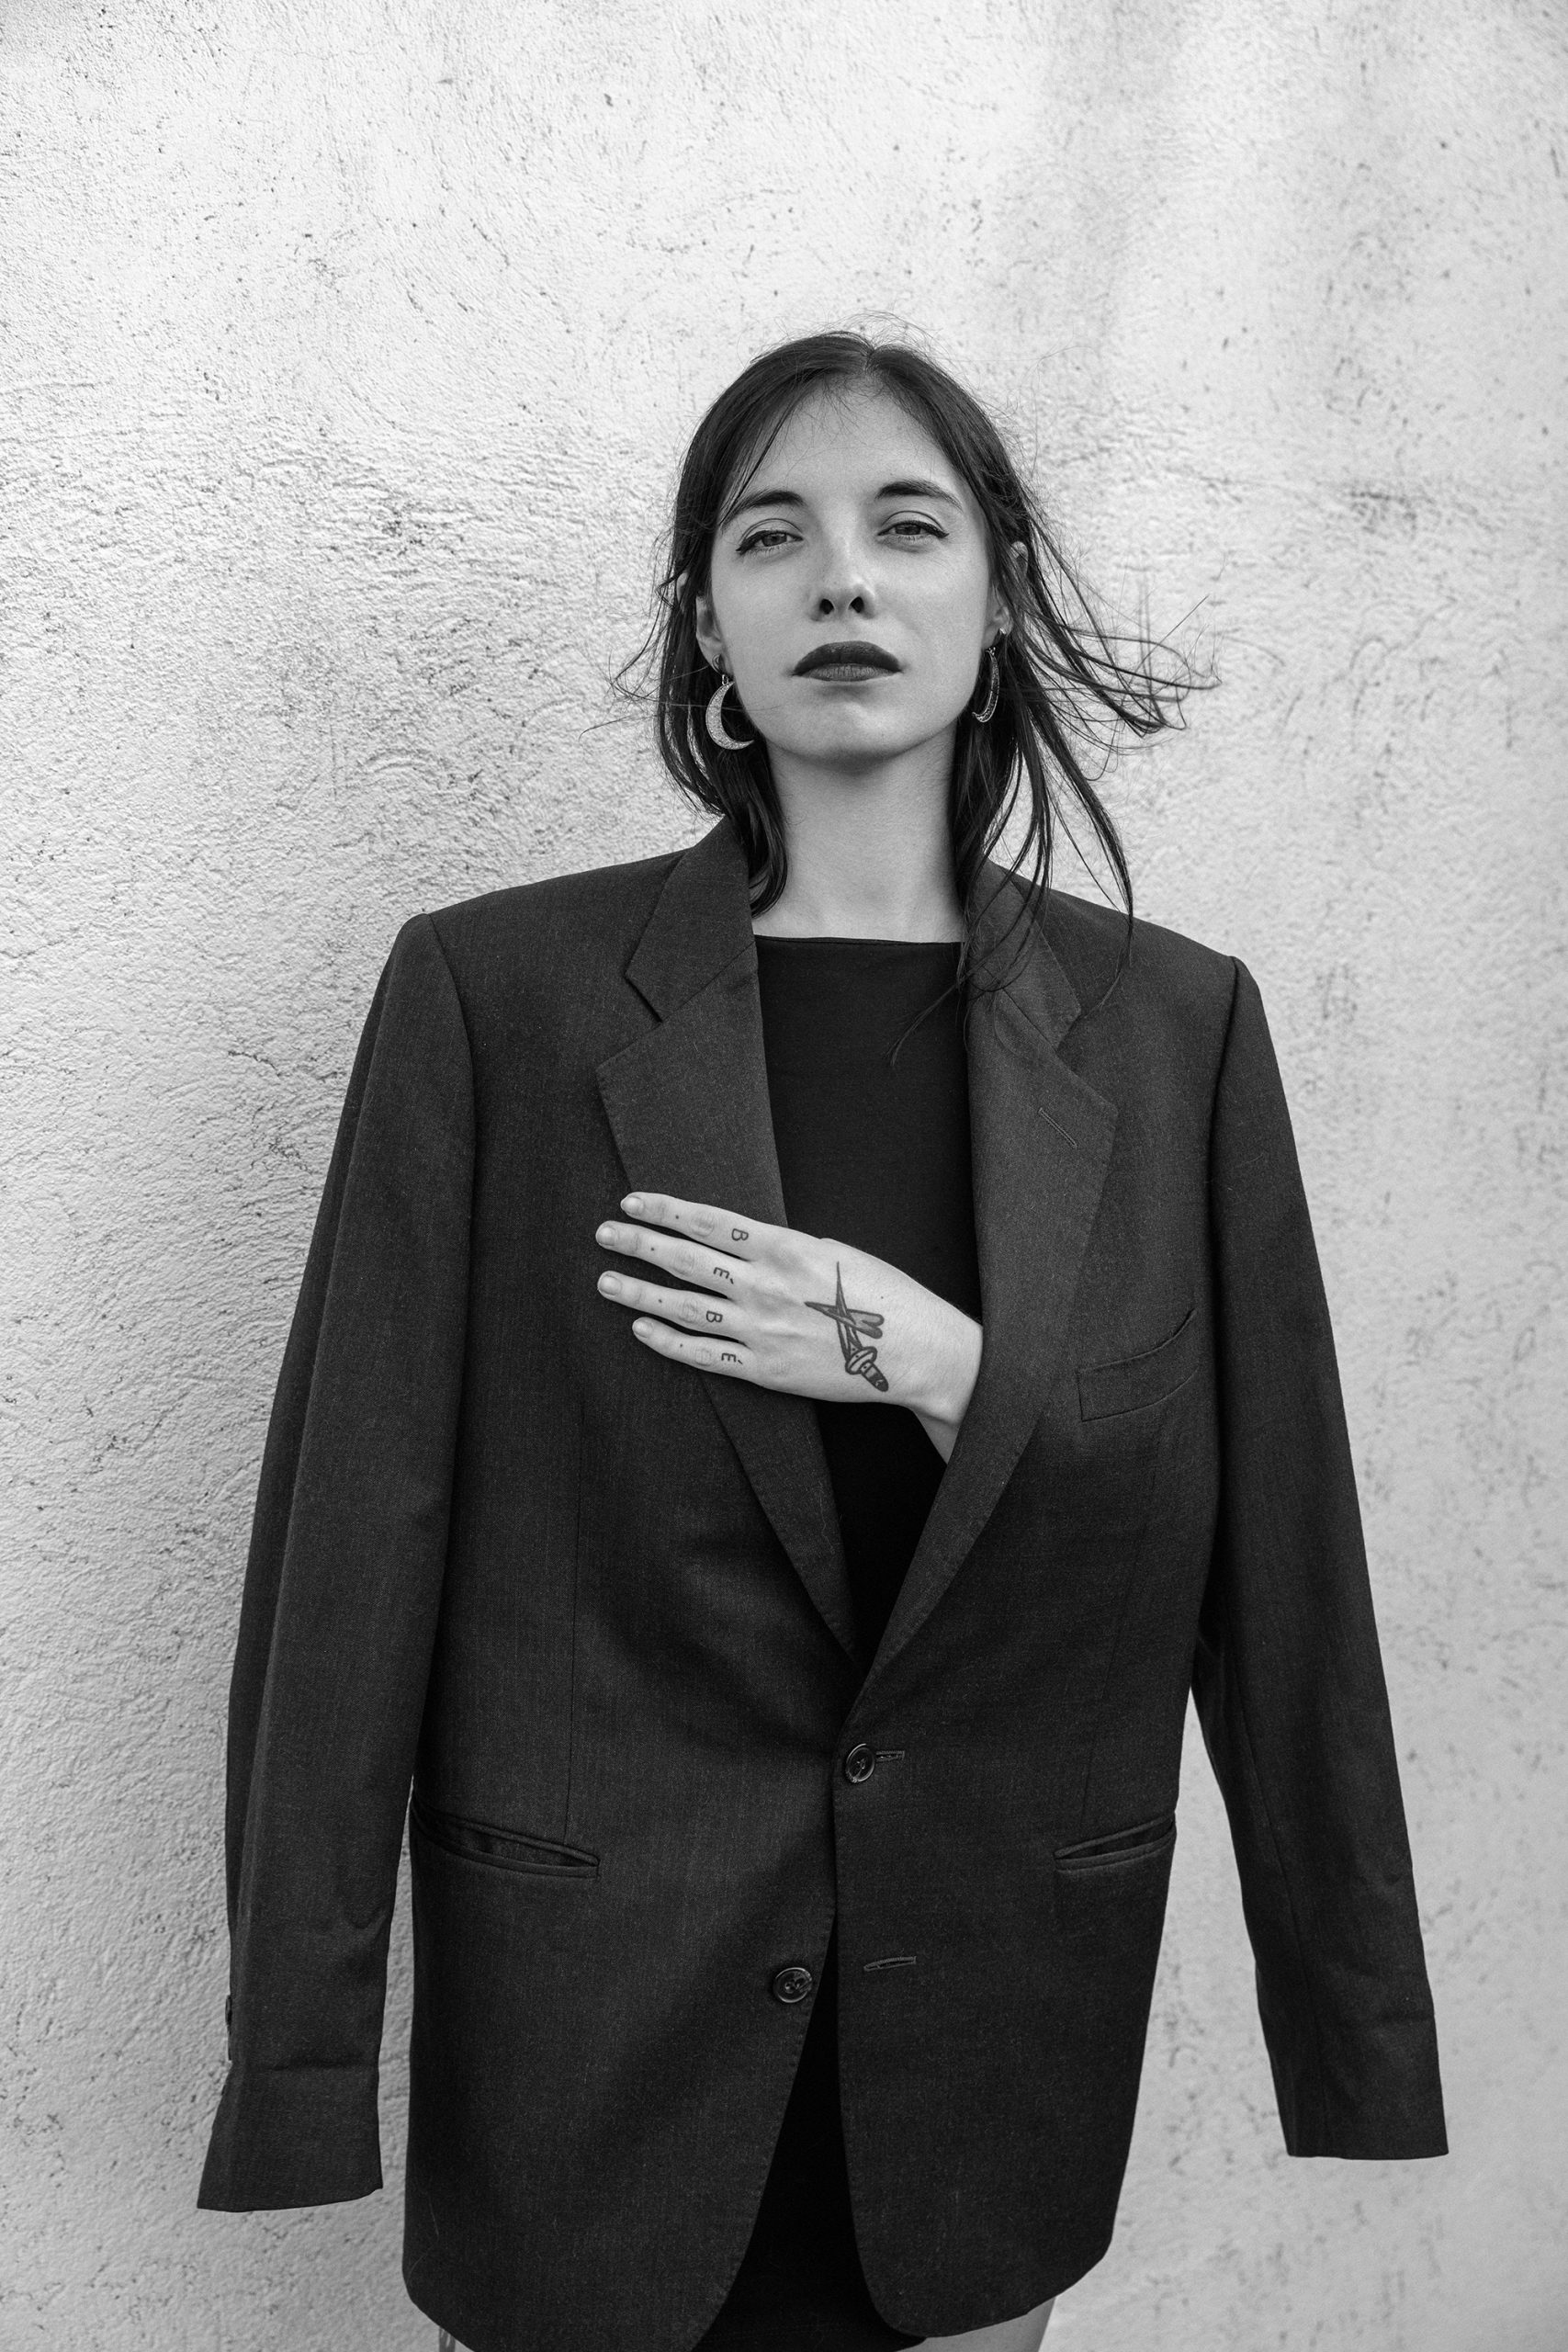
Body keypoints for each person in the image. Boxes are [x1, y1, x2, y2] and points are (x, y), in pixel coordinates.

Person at [197, 332, 1447, 2352]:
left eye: (905, 526)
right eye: (771, 535)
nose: (841, 577)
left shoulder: (1174, 1031)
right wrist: (300, 2060)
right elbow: (351, 1557)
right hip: (590, 2035)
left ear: (995, 595)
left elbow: (1270, 1560)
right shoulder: (495, 1002)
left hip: (990, 2049)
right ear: (708, 618)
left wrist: (933, 1359)